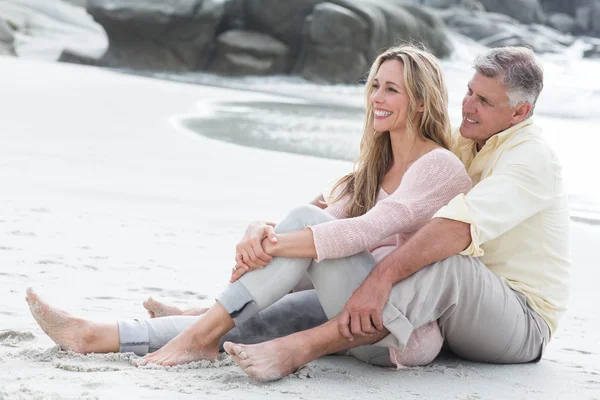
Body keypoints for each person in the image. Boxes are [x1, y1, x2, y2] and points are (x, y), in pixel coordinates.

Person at [25, 45, 472, 370]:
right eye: (375, 84)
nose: (376, 97)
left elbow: (363, 232)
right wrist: (259, 232)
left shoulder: (439, 166)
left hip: (398, 332)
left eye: (391, 89)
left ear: (420, 100)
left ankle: (199, 328)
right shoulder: (375, 166)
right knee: (240, 324)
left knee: (298, 228)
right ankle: (95, 335)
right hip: (340, 312)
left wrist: (270, 241)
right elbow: (328, 225)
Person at [218, 46, 571, 381]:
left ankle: (301, 348)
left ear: (519, 113)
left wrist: (379, 281)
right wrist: (274, 228)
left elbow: (455, 230)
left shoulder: (531, 159)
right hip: (438, 308)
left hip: (519, 323)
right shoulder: (464, 140)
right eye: (468, 92)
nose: (467, 106)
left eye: (483, 101)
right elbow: (364, 190)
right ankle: (207, 319)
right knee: (321, 269)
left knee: (446, 261)